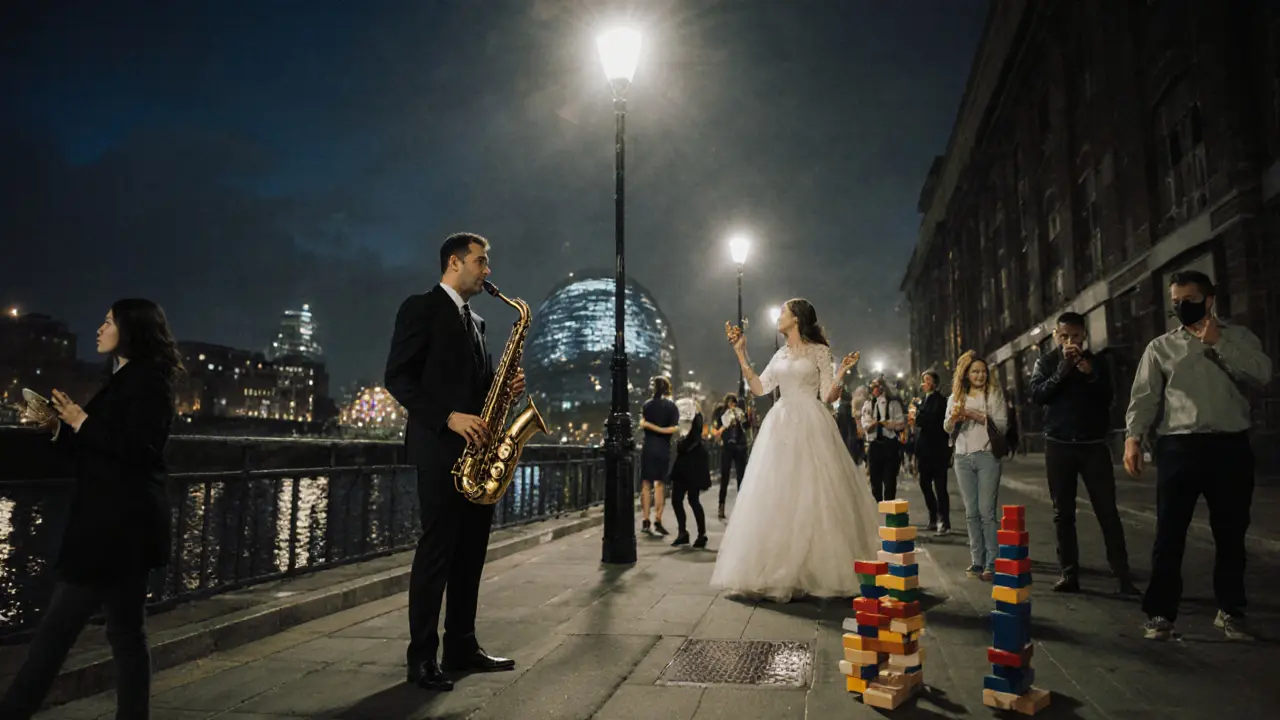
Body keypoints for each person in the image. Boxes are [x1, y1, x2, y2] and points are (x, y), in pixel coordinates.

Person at [0, 299, 181, 720]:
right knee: (126, 634)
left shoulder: (149, 382)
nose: (99, 329)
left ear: (131, 329)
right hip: (124, 530)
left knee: (55, 635)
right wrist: (59, 427)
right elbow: (100, 447)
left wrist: (81, 421)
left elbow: (138, 450)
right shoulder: (124, 379)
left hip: (113, 530)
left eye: (108, 322)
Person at [384, 232, 521, 692]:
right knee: (436, 556)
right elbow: (397, 377)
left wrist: (503, 391)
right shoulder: (420, 307)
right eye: (481, 262)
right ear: (454, 263)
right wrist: (448, 417)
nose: (487, 271)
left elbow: (479, 391)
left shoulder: (478, 323)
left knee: (471, 557)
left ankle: (461, 644)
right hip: (440, 450)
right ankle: (421, 659)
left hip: (476, 457)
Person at [1124, 271, 1272, 641]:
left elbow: (1262, 375)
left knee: (1231, 532)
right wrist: (1133, 438)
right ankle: (1160, 613)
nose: (1180, 306)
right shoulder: (1160, 347)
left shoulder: (1238, 337)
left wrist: (1219, 342)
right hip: (1179, 447)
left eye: (1188, 299)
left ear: (1208, 300)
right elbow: (1145, 397)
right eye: (1175, 301)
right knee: (1170, 533)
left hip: (1230, 446)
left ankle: (1231, 611)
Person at [710, 298, 880, 601]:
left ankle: (815, 568)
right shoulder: (780, 354)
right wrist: (741, 352)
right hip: (781, 421)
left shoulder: (819, 351)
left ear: (797, 319)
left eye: (783, 313)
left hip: (812, 420)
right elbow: (760, 388)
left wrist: (840, 374)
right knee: (779, 492)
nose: (779, 317)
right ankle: (779, 566)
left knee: (816, 492)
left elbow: (827, 396)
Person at [1030, 312, 1137, 595]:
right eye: (1064, 336)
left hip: (1092, 445)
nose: (1070, 341)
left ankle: (1123, 575)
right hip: (1058, 444)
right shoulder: (1046, 362)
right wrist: (1063, 371)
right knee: (1062, 513)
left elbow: (1109, 398)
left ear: (1084, 335)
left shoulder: (1097, 361)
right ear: (1055, 336)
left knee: (1107, 511)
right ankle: (1069, 573)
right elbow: (1038, 395)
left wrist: (1091, 376)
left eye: (1075, 336)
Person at [943, 351, 1008, 581]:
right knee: (971, 513)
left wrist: (975, 415)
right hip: (962, 458)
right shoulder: (955, 397)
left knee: (986, 512)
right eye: (975, 371)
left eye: (983, 371)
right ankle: (976, 561)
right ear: (966, 374)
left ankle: (993, 562)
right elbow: (947, 428)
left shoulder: (993, 394)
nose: (980, 375)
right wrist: (954, 419)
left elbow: (1002, 425)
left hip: (987, 456)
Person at [637, 376, 679, 535]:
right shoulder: (671, 407)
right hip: (663, 448)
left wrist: (650, 426)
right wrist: (660, 429)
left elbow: (643, 425)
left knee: (646, 484)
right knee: (660, 484)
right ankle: (658, 519)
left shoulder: (647, 405)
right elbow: (674, 428)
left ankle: (645, 519)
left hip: (648, 447)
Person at [669, 396, 710, 548]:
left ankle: (699, 534)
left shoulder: (695, 419)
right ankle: (685, 533)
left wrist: (680, 445)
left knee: (691, 499)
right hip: (688, 462)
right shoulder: (693, 418)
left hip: (691, 462)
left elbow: (692, 439)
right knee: (680, 499)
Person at [914, 370, 952, 536]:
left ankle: (944, 519)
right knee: (924, 483)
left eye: (927, 380)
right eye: (923, 380)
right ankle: (933, 515)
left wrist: (918, 415)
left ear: (934, 383)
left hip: (938, 450)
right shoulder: (924, 400)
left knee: (940, 486)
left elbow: (930, 421)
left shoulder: (939, 401)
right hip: (924, 450)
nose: (924, 383)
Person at [861, 377, 905, 501]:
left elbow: (900, 424)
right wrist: (873, 424)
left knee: (890, 481)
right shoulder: (868, 404)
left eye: (876, 387)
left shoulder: (893, 404)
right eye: (872, 387)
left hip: (889, 445)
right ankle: (877, 510)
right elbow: (866, 425)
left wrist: (889, 424)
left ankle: (889, 509)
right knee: (875, 482)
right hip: (874, 445)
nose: (873, 389)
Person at [712, 393, 749, 520]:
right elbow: (716, 428)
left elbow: (746, 426)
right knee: (724, 478)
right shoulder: (722, 414)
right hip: (727, 448)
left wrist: (741, 418)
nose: (732, 405)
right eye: (730, 403)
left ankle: (741, 507)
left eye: (734, 403)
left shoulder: (740, 412)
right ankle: (721, 506)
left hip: (739, 448)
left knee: (741, 477)